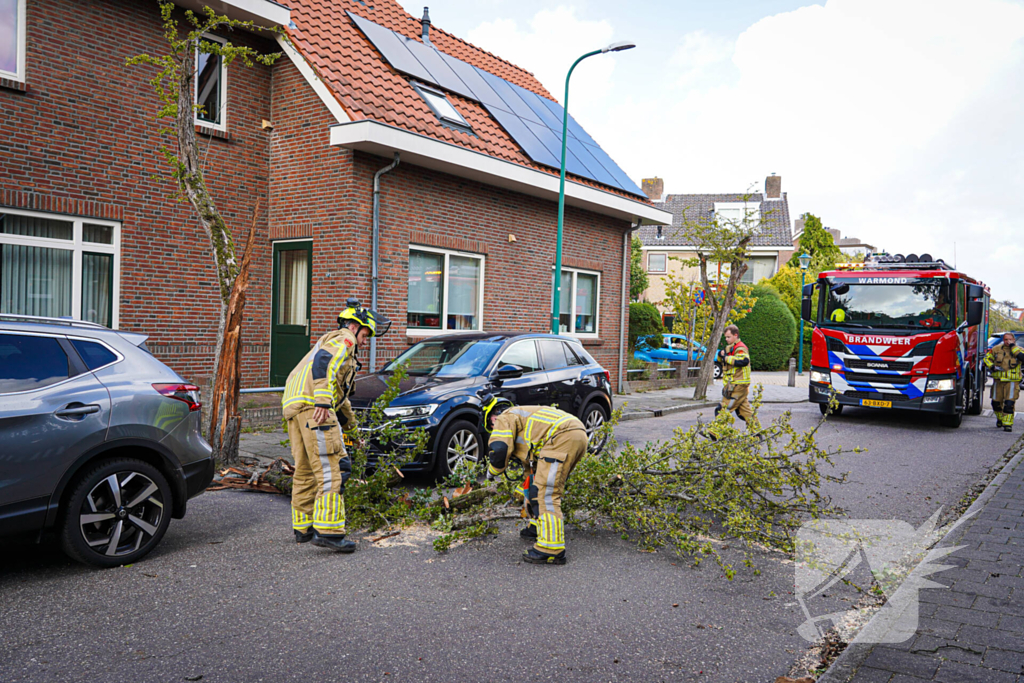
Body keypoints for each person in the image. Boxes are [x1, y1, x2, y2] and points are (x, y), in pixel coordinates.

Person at [281, 301, 391, 551]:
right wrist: (321, 400)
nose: (365, 342)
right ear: (354, 327)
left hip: (295, 407)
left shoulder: (326, 341)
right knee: (334, 469)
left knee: (306, 469)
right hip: (315, 408)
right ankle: (329, 532)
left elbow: (340, 397)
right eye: (365, 335)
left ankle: (304, 527)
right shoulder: (344, 339)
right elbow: (325, 363)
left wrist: (353, 431)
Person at [481, 396, 589, 565]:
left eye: (491, 426)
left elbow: (499, 450)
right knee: (538, 487)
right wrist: (521, 491)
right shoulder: (524, 421)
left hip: (561, 436)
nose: (494, 429)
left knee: (547, 493)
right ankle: (537, 527)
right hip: (575, 435)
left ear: (492, 417)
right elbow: (531, 475)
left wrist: (492, 472)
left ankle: (551, 549)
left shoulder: (504, 417)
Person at [984, 332, 1024, 432]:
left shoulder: (1019, 350)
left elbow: (1022, 358)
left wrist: (1013, 347)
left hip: (1012, 382)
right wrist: (991, 366)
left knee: (1009, 403)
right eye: (1006, 339)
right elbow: (986, 358)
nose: (1008, 341)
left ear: (1014, 340)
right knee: (996, 403)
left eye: (1010, 339)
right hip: (998, 381)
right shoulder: (996, 349)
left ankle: (1008, 424)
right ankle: (1000, 419)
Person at [716, 324, 754, 425]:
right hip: (736, 384)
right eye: (726, 337)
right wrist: (720, 355)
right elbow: (723, 361)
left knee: (723, 408)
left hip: (738, 384)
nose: (727, 339)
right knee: (745, 412)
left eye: (728, 337)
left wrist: (727, 358)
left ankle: (715, 432)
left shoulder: (740, 348)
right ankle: (756, 432)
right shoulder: (730, 348)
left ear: (735, 335)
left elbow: (743, 360)